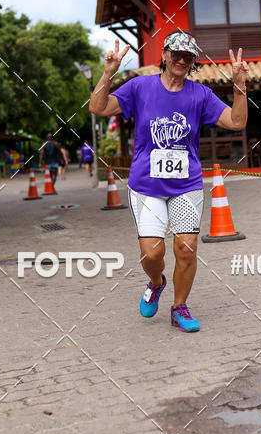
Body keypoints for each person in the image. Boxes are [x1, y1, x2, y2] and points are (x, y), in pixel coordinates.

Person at [89, 29, 248, 333]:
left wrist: (239, 86)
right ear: (163, 55)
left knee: (186, 249)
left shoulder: (200, 94)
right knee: (152, 253)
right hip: (146, 185)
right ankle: (156, 281)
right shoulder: (140, 88)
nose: (181, 60)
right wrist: (108, 73)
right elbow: (97, 107)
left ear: (192, 62)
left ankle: (180, 307)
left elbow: (236, 122)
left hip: (186, 185)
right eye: (175, 53)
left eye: (187, 56)